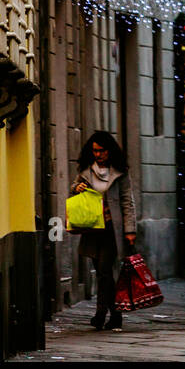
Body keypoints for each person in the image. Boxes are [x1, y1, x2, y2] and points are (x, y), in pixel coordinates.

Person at [71, 131, 136, 331]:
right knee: (100, 272)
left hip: (110, 230)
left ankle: (107, 314)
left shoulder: (120, 173)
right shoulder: (86, 171)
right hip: (92, 228)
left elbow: (127, 201)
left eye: (102, 151)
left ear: (110, 151)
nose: (98, 155)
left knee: (105, 272)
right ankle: (108, 314)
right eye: (95, 151)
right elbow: (73, 189)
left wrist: (130, 230)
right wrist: (77, 188)